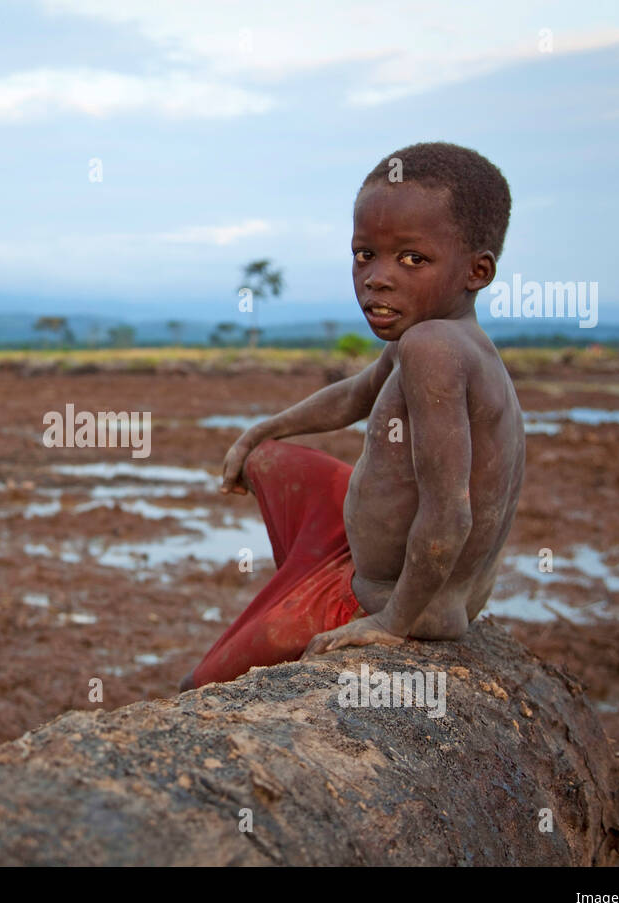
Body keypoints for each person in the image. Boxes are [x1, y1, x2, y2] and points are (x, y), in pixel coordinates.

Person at [180, 142, 525, 691]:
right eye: (366, 254)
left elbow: (450, 512)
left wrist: (391, 624)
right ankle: (309, 569)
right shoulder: (437, 336)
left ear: (477, 271)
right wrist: (260, 432)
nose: (378, 278)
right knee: (273, 459)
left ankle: (321, 594)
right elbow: (354, 395)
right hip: (403, 574)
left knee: (200, 687)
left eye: (413, 259)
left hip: (393, 600)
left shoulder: (433, 347)